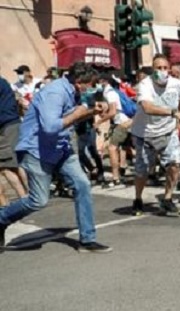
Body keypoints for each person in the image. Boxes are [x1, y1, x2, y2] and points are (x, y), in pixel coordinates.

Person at [0, 62, 112, 253]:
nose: (92, 88)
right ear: (79, 82)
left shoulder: (73, 92)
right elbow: (51, 127)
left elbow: (70, 119)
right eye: (90, 84)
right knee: (38, 200)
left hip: (61, 149)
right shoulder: (55, 93)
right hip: (37, 151)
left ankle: (87, 240)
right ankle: (2, 218)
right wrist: (80, 111)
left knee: (82, 185)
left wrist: (92, 111)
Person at [130, 54, 180, 217]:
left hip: (168, 132)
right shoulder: (145, 85)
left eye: (165, 68)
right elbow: (147, 107)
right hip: (145, 133)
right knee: (142, 171)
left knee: (176, 164)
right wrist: (173, 113)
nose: (162, 71)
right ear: (153, 69)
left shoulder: (175, 84)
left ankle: (167, 197)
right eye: (159, 68)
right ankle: (137, 198)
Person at [0, 75, 26, 208]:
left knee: (9, 165)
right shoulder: (4, 82)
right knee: (13, 164)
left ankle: (26, 198)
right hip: (10, 124)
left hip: (7, 125)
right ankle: (25, 197)